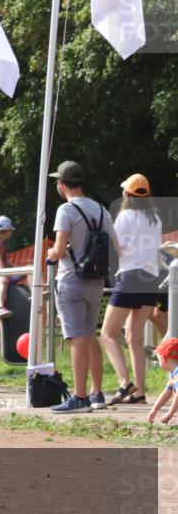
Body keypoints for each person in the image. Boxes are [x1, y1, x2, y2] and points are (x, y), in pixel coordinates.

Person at [45, 160, 118, 414]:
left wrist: (53, 253)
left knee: (76, 338)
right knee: (89, 336)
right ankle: (97, 393)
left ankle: (79, 397)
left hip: (71, 279)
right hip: (96, 281)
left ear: (62, 183)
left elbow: (58, 248)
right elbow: (115, 246)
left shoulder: (66, 210)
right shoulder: (101, 210)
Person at [103, 174, 161, 406]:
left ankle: (124, 382)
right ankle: (140, 393)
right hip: (151, 279)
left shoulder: (124, 216)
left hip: (129, 277)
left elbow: (116, 247)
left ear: (127, 194)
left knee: (107, 334)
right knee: (133, 337)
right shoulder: (155, 219)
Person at [146, 337, 178, 424]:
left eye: (158, 359)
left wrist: (170, 413)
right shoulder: (173, 373)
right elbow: (166, 393)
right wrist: (155, 409)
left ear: (164, 359)